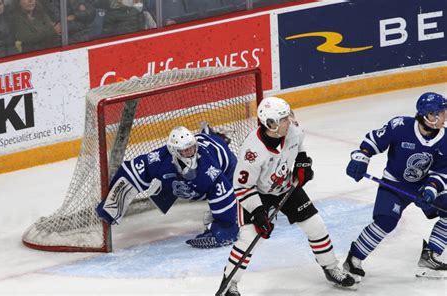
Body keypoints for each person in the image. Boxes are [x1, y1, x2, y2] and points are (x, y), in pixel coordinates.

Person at [217, 97, 355, 296]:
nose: (288, 121)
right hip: (258, 194)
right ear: (270, 124)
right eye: (283, 119)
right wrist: (257, 212)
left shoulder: (293, 130)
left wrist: (302, 162)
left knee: (315, 225)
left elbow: (299, 146)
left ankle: (331, 267)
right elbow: (242, 186)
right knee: (249, 237)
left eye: (287, 117)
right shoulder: (252, 152)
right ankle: (230, 283)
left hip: (286, 186)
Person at [343, 92, 447, 281]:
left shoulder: (445, 139)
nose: (444, 116)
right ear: (427, 116)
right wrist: (361, 157)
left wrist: (431, 189)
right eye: (439, 113)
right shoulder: (400, 125)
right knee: (386, 221)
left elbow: (442, 172)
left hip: (422, 187)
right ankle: (354, 259)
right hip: (394, 184)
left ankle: (430, 256)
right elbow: (374, 140)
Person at [96, 125, 239, 249]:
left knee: (223, 191)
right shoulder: (160, 157)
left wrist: (224, 227)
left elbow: (222, 192)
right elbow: (134, 170)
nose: (190, 153)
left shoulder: (209, 167)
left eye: (192, 148)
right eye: (185, 150)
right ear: (173, 151)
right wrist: (112, 204)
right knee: (169, 179)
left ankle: (217, 137)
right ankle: (209, 133)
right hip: (188, 169)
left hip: (227, 164)